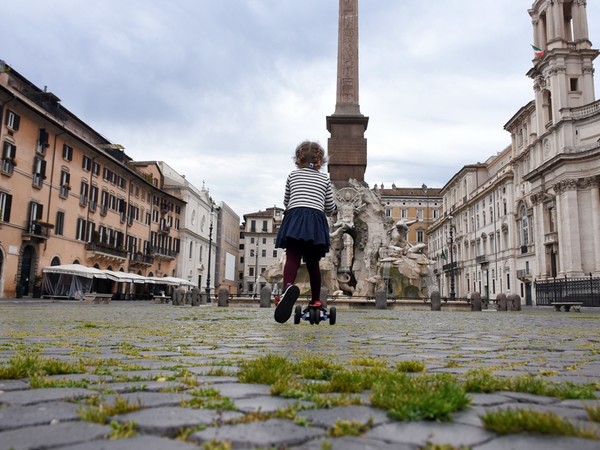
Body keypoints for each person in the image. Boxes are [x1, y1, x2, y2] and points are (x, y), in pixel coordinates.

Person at [274, 140, 337, 323]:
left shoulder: (292, 176)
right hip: (315, 222)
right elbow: (329, 207)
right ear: (320, 161)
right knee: (313, 264)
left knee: (292, 257)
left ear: (298, 159)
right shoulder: (325, 179)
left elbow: (286, 200)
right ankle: (316, 301)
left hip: (295, 217)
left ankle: (287, 288)